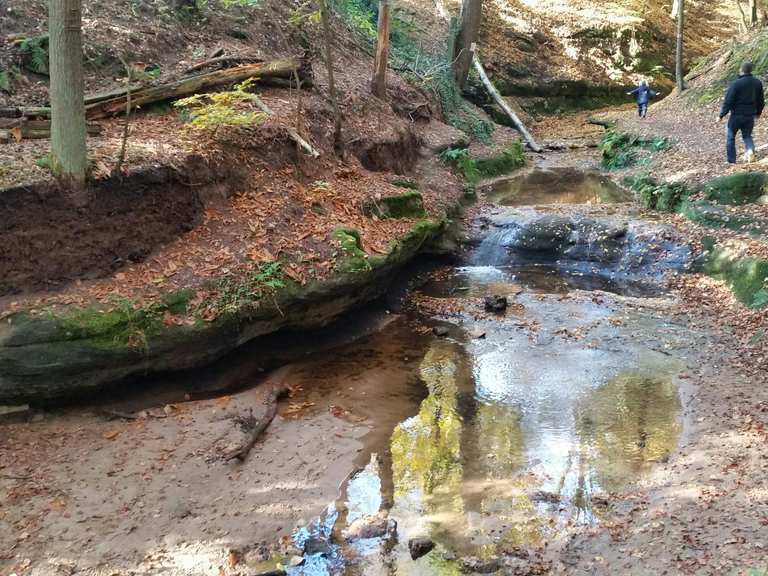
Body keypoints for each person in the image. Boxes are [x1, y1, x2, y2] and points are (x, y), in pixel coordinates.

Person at [719, 61, 765, 164]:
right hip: (749, 115)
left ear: (742, 70)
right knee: (747, 135)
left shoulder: (736, 83)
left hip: (736, 116)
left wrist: (722, 114)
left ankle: (731, 161)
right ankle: (750, 151)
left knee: (730, 137)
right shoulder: (757, 83)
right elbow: (761, 100)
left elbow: (728, 100)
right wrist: (758, 112)